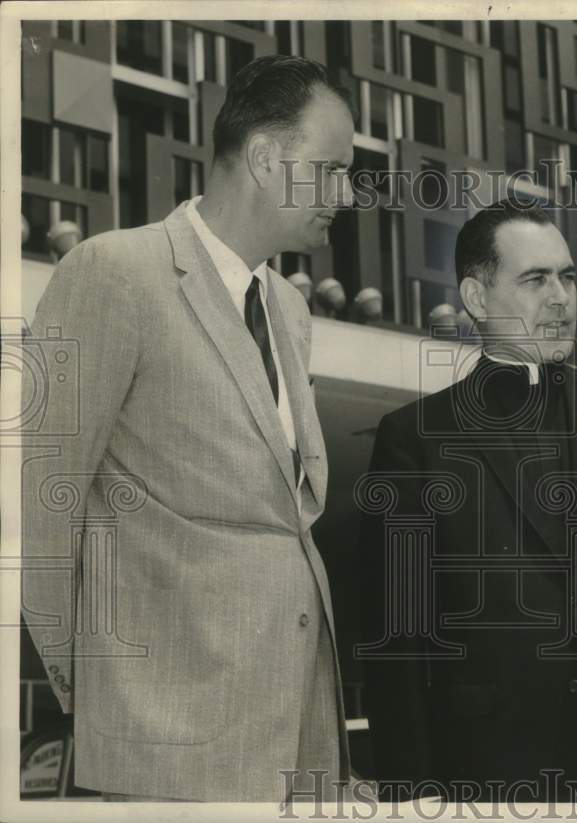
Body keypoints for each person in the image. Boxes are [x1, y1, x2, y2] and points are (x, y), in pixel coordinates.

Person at [20, 55, 355, 802]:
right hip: (164, 748)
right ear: (267, 159)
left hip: (296, 738)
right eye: (332, 169)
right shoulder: (113, 271)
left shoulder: (291, 312)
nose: (347, 192)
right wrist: (112, 694)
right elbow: (44, 506)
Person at [359, 201, 577, 802]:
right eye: (535, 280)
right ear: (477, 298)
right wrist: (412, 794)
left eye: (566, 276)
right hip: (491, 774)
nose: (560, 296)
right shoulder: (415, 437)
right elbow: (396, 644)